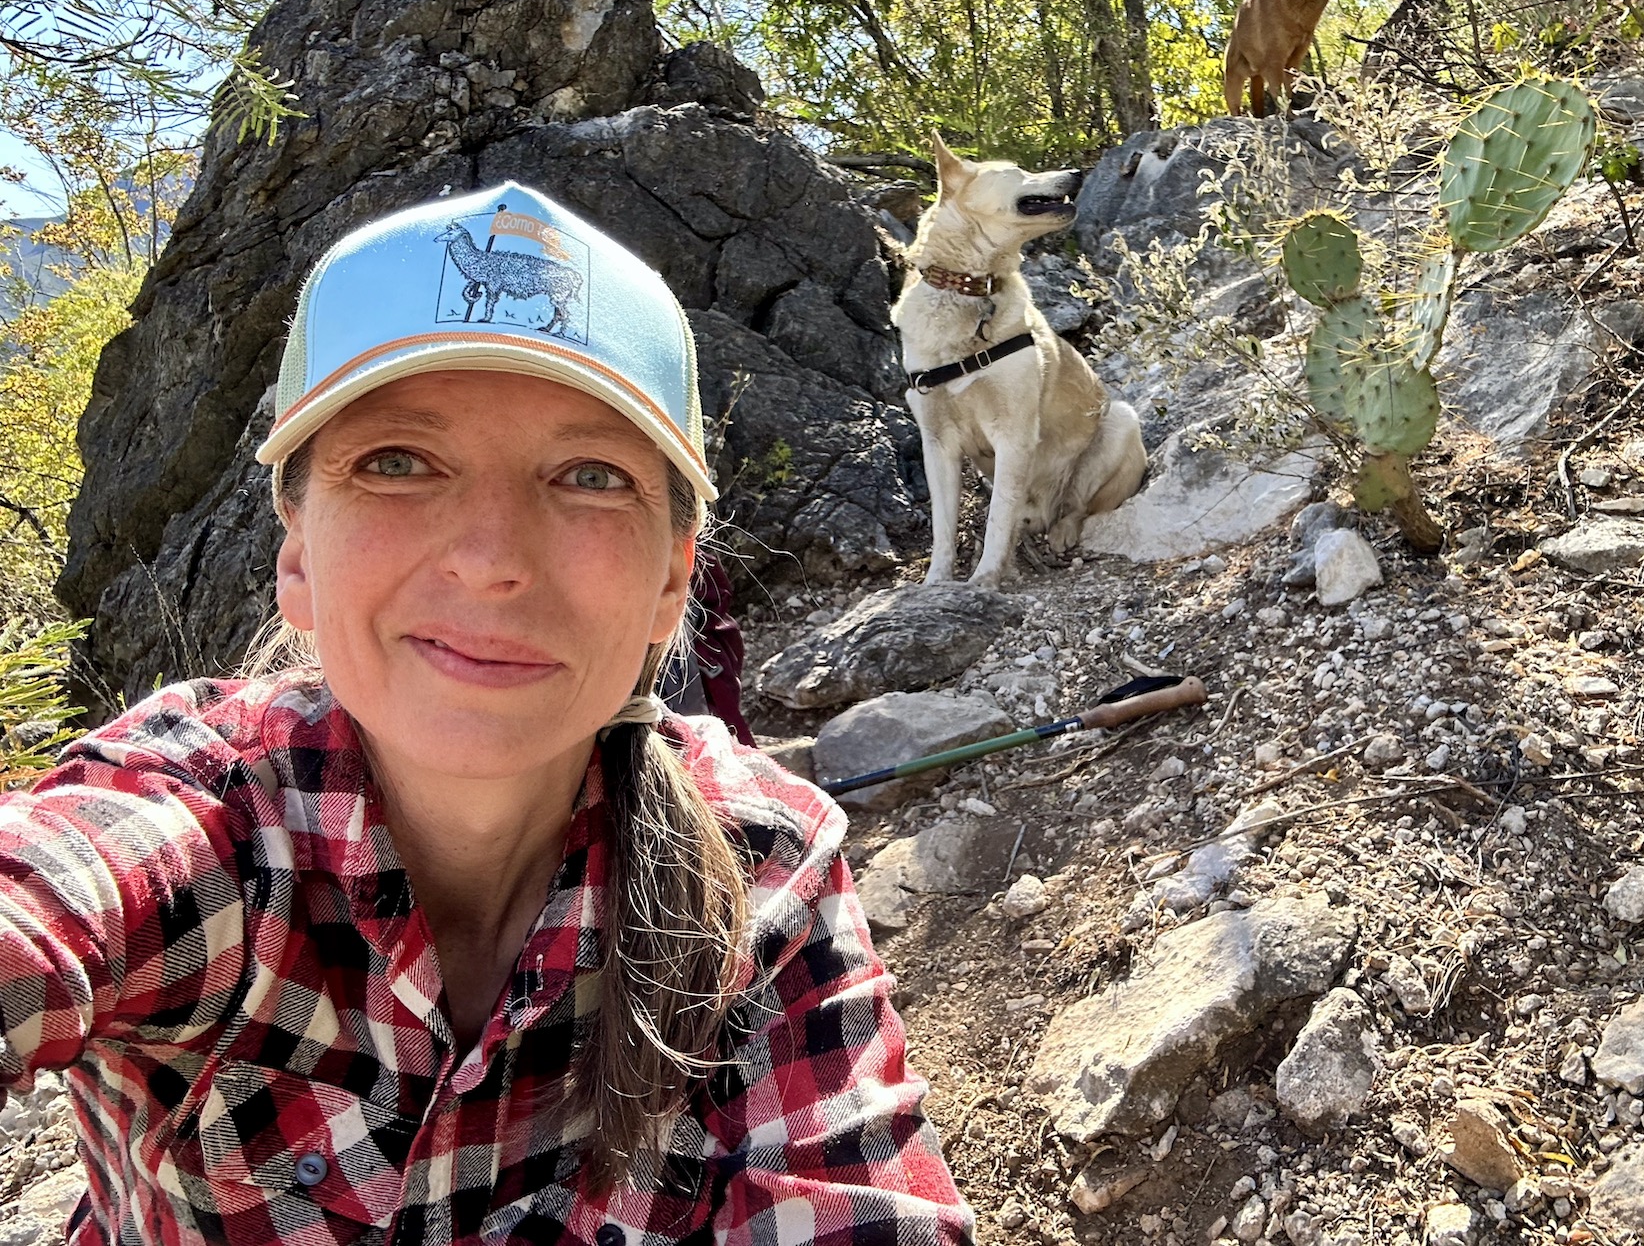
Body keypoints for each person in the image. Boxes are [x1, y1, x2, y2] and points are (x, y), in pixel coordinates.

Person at [0, 182, 973, 1246]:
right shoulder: (205, 826)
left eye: (590, 476)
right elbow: (51, 893)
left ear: (671, 582)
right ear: (294, 559)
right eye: (398, 463)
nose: (491, 558)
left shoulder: (761, 866)